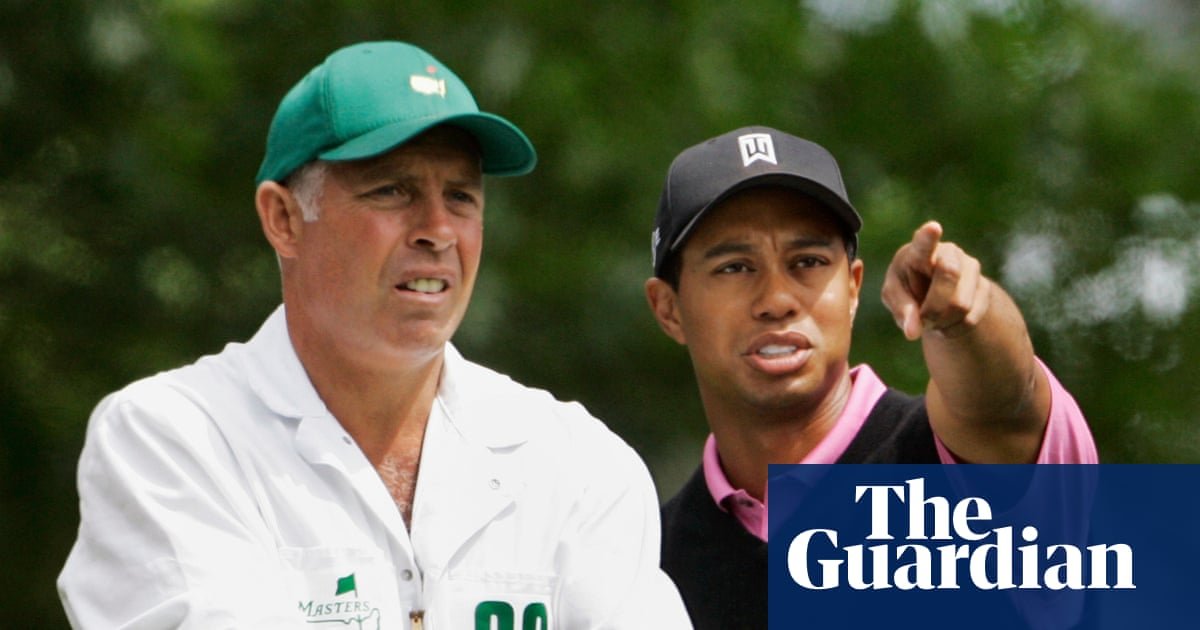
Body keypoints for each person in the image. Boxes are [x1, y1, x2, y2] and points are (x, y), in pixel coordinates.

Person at [58, 41, 690, 629]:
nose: (437, 230)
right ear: (283, 219)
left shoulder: (575, 462)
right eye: (392, 190)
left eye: (461, 197)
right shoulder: (174, 439)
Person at [643, 126, 1097, 629]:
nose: (777, 299)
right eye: (734, 267)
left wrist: (965, 318)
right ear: (669, 309)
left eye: (808, 261)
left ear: (853, 287)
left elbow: (1006, 403)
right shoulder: (644, 567)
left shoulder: (957, 465)